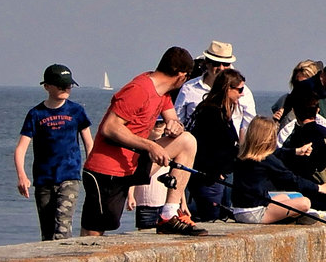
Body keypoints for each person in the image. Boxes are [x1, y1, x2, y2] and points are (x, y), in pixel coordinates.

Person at [81, 46, 206, 236]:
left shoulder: (163, 92)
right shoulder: (139, 89)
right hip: (107, 170)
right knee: (95, 232)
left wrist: (175, 126)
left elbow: (173, 118)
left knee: (187, 141)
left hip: (134, 162)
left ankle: (168, 214)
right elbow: (110, 127)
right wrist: (150, 145)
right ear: (181, 75)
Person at [14, 63, 94, 241]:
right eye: (61, 85)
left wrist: (91, 171)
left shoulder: (76, 111)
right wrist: (22, 175)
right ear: (47, 87)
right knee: (47, 232)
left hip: (70, 176)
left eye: (69, 85)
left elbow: (89, 144)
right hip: (44, 180)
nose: (66, 88)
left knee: (62, 229)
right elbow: (21, 148)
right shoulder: (36, 114)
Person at [229, 118, 326, 224]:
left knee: (284, 197)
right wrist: (318, 188)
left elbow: (277, 153)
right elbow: (292, 179)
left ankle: (291, 216)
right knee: (305, 202)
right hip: (255, 214)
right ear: (269, 138)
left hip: (238, 211)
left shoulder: (241, 155)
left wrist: (296, 151)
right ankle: (290, 218)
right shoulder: (266, 159)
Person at [186, 67, 248, 221]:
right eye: (240, 90)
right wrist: (215, 170)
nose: (242, 94)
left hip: (221, 176)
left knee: (221, 217)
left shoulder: (221, 112)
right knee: (211, 219)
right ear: (228, 89)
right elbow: (206, 146)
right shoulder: (211, 113)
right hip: (210, 178)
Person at [175, 41, 256, 131]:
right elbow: (178, 121)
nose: (221, 68)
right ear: (207, 63)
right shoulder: (189, 88)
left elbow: (249, 125)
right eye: (216, 63)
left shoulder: (243, 91)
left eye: (225, 64)